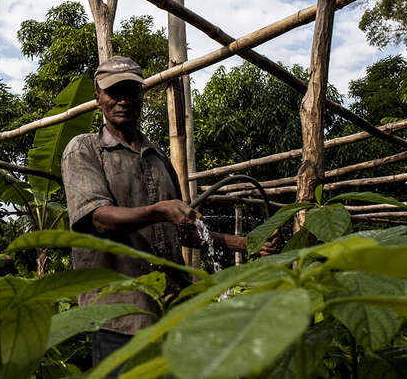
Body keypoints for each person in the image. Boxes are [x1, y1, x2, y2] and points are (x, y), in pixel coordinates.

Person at [62, 56, 276, 369]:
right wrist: (160, 210)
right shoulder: (84, 149)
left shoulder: (158, 157)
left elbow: (182, 231)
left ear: (141, 96)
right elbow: (97, 218)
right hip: (119, 316)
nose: (123, 100)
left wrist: (246, 244)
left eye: (131, 91)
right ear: (98, 99)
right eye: (113, 92)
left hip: (174, 309)